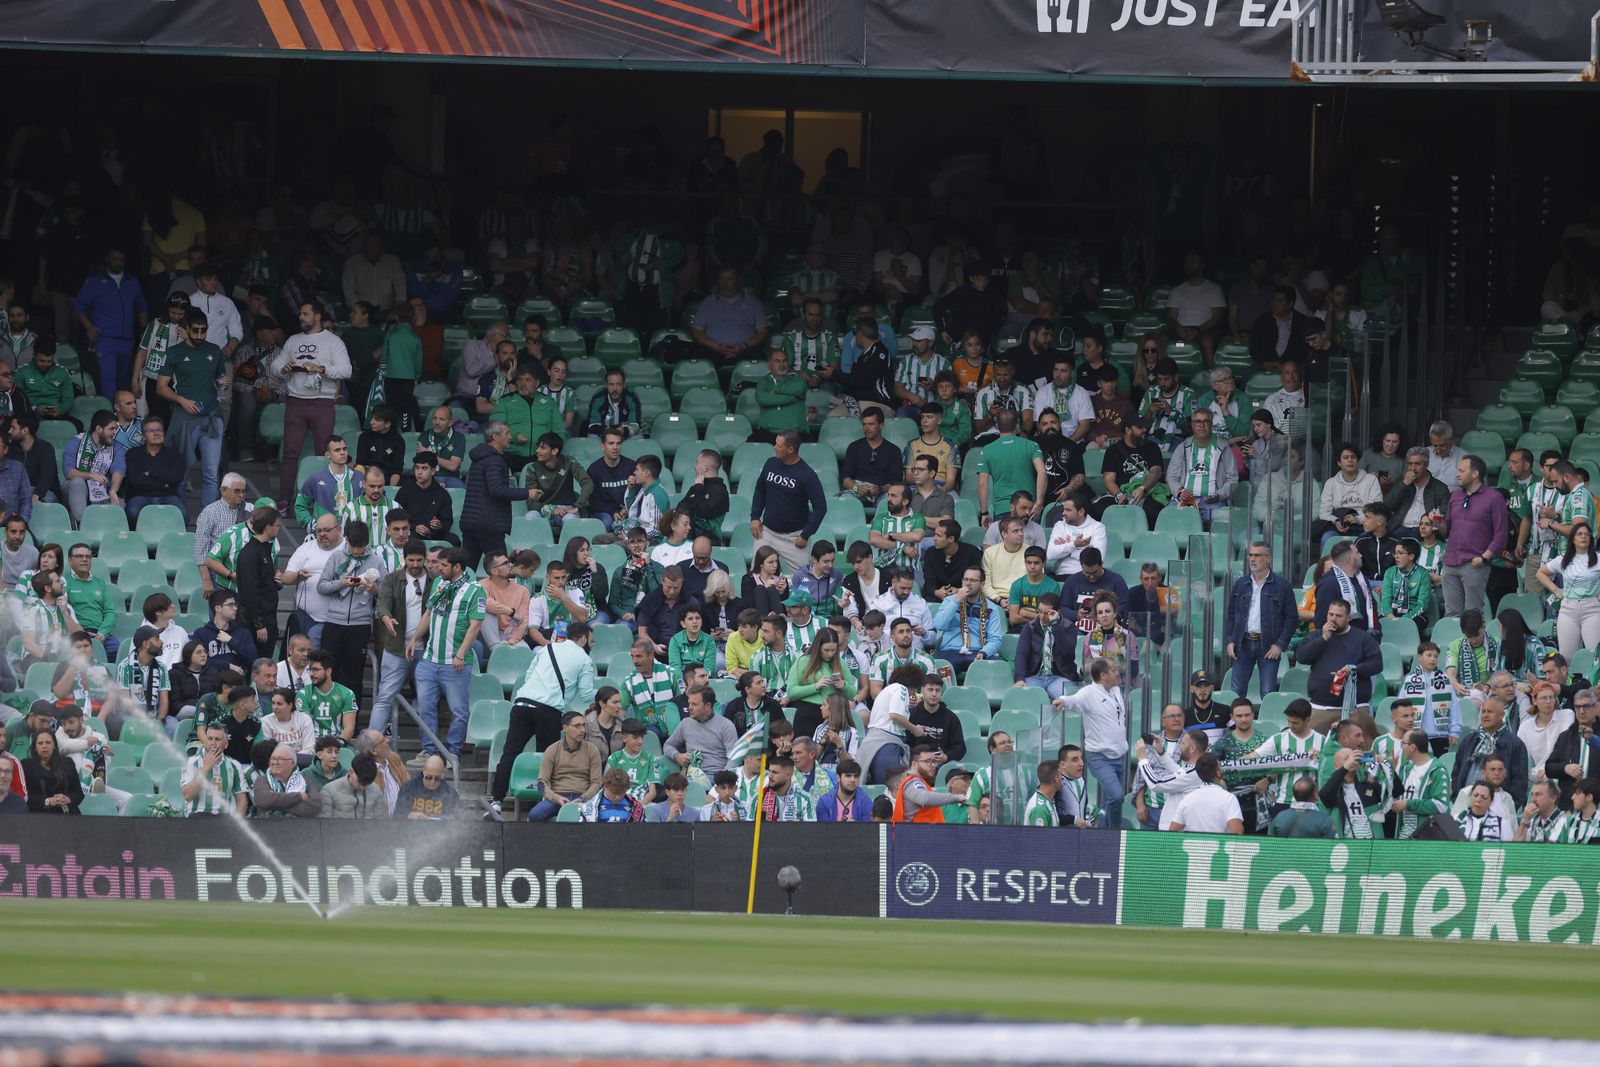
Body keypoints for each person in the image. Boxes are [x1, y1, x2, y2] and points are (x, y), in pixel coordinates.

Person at [484, 621, 597, 820]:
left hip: (522, 704)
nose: (592, 644)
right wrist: (605, 694)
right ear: (582, 638)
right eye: (591, 640)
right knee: (549, 758)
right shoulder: (584, 659)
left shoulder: (547, 649)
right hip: (549, 709)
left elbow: (528, 676)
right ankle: (545, 802)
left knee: (510, 752)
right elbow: (587, 694)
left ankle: (496, 801)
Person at [407, 548, 487, 764]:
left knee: (459, 711)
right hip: (430, 660)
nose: (437, 568)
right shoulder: (439, 584)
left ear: (457, 567)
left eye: (443, 565)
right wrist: (415, 638)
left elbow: (476, 624)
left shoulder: (475, 590)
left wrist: (461, 654)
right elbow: (429, 612)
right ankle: (429, 751)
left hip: (455, 663)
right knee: (425, 707)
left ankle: (453, 752)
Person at [1058, 658, 1129, 829]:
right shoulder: (1089, 693)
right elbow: (1073, 700)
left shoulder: (1116, 690)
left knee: (1111, 799)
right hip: (1100, 757)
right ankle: (1114, 832)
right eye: (1113, 670)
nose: (1117, 672)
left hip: (1121, 755)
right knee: (1117, 796)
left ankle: (1103, 831)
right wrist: (1062, 701)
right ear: (1103, 675)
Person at [461, 420, 541, 569]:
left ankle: (459, 592)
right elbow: (496, 489)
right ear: (496, 437)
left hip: (472, 521)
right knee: (503, 570)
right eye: (507, 434)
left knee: (465, 571)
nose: (510, 437)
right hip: (489, 523)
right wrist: (527, 493)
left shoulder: (480, 457)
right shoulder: (494, 460)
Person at [1295, 599, 1383, 732]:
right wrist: (1323, 639)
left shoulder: (1362, 638)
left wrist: (1354, 669)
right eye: (1331, 614)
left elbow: (1377, 664)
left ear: (1348, 618)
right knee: (1315, 750)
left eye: (1339, 616)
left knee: (1357, 750)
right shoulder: (1317, 635)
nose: (1333, 619)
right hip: (1321, 708)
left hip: (1355, 709)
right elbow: (1301, 656)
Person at [1438, 454, 1508, 618]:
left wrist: (1484, 558)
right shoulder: (1455, 496)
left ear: (1475, 473)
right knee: (1451, 613)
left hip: (1475, 562)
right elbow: (1446, 530)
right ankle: (1454, 644)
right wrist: (1437, 523)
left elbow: (1501, 534)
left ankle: (1474, 644)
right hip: (1450, 561)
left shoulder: (1494, 498)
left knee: (1473, 613)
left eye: (1462, 470)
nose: (1457, 474)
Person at [749, 429, 827, 575]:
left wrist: (805, 534)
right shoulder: (770, 463)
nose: (774, 447)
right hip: (767, 532)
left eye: (779, 445)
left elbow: (820, 507)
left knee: (803, 580)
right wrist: (755, 517)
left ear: (791, 449)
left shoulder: (807, 475)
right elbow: (760, 490)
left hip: (795, 537)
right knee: (756, 575)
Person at [1225, 541, 1296, 697]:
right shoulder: (1240, 584)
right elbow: (1231, 614)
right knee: (1236, 693)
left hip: (1268, 645)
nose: (1252, 559)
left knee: (1267, 692)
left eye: (1257, 555)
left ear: (1268, 558)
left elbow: (1291, 618)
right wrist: (1230, 640)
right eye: (1250, 555)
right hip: (1242, 644)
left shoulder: (1282, 586)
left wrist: (1280, 645)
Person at [1539, 517, 1600, 661]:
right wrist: (1556, 590)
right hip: (1568, 610)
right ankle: (1569, 683)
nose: (1584, 536)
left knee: (1595, 656)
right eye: (1579, 534)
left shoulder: (1598, 558)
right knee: (1566, 657)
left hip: (1592, 609)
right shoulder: (1563, 559)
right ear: (1572, 539)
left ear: (1591, 539)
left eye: (1586, 534)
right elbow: (1540, 573)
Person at [1451, 697, 1529, 809]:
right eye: (1483, 711)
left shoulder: (1514, 744)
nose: (1485, 715)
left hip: (1498, 806)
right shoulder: (1469, 740)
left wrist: (1508, 806)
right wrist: (1456, 798)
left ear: (1501, 715)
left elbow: (1520, 781)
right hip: (1466, 804)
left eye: (1490, 712)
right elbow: (1456, 773)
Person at [526, 711, 604, 822]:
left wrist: (583, 798)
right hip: (557, 797)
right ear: (565, 728)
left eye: (583, 725)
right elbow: (541, 783)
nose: (582, 730)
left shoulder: (592, 749)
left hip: (583, 797)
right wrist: (556, 798)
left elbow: (597, 782)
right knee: (534, 815)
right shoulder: (552, 750)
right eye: (577, 726)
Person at [1164, 408, 1235, 526]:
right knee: (1168, 517)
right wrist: (1179, 491)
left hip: (1214, 502)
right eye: (1198, 422)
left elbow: (1232, 479)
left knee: (1223, 522)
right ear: (1192, 425)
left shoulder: (1223, 447)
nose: (1202, 425)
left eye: (1206, 421)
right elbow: (1172, 476)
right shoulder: (1183, 447)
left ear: (1211, 424)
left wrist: (1219, 495)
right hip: (1185, 500)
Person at [932, 566, 1002, 670]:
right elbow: (939, 625)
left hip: (979, 652)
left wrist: (984, 653)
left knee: (999, 667)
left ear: (982, 584)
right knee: (939, 670)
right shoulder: (949, 601)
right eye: (965, 579)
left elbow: (995, 639)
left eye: (973, 580)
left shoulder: (991, 608)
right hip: (951, 651)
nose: (968, 583)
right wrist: (956, 601)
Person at [1390, 728, 1451, 840]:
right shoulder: (1406, 770)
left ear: (1412, 747)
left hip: (1425, 841)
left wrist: (1408, 804)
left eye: (1403, 743)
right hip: (1403, 838)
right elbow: (1396, 797)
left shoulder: (1437, 771)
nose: (1401, 747)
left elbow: (1441, 805)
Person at [664, 686, 740, 775]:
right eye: (689, 703)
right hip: (691, 775)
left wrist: (722, 778)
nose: (690, 707)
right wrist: (677, 756)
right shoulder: (685, 723)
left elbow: (734, 758)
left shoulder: (726, 726)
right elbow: (667, 745)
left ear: (707, 706)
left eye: (694, 704)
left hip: (716, 775)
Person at [1168, 754, 1244, 834]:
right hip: (1219, 845)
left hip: (1192, 846)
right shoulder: (1229, 798)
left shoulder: (1187, 799)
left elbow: (1172, 831)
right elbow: (1237, 832)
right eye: (1220, 767)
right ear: (1218, 773)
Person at [251, 742, 322, 818]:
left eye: (280, 759)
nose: (275, 762)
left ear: (292, 763)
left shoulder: (305, 780)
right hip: (268, 826)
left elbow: (315, 804)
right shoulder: (262, 780)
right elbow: (264, 799)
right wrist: (299, 796)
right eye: (273, 758)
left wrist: (274, 807)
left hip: (300, 826)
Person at [22, 728, 82, 815]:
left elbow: (78, 793)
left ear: (54, 746)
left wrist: (68, 799)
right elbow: (24, 796)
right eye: (40, 743)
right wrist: (48, 801)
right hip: (39, 816)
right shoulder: (26, 765)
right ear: (35, 747)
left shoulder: (67, 762)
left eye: (48, 742)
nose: (44, 746)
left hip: (68, 814)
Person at [318, 752, 385, 819]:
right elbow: (323, 825)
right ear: (351, 771)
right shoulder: (329, 791)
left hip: (372, 829)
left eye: (367, 783)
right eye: (360, 782)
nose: (362, 787)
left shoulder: (376, 791)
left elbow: (381, 822)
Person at [393, 753, 460, 820]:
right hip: (411, 828)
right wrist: (408, 815)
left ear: (443, 774)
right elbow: (397, 816)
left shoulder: (450, 794)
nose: (432, 782)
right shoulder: (408, 788)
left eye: (437, 779)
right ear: (423, 771)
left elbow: (454, 820)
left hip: (439, 829)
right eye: (428, 777)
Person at [1267, 777, 1335, 838]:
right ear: (1315, 794)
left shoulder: (1280, 816)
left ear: (1294, 794)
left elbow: (1270, 842)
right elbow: (1332, 846)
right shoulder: (1325, 820)